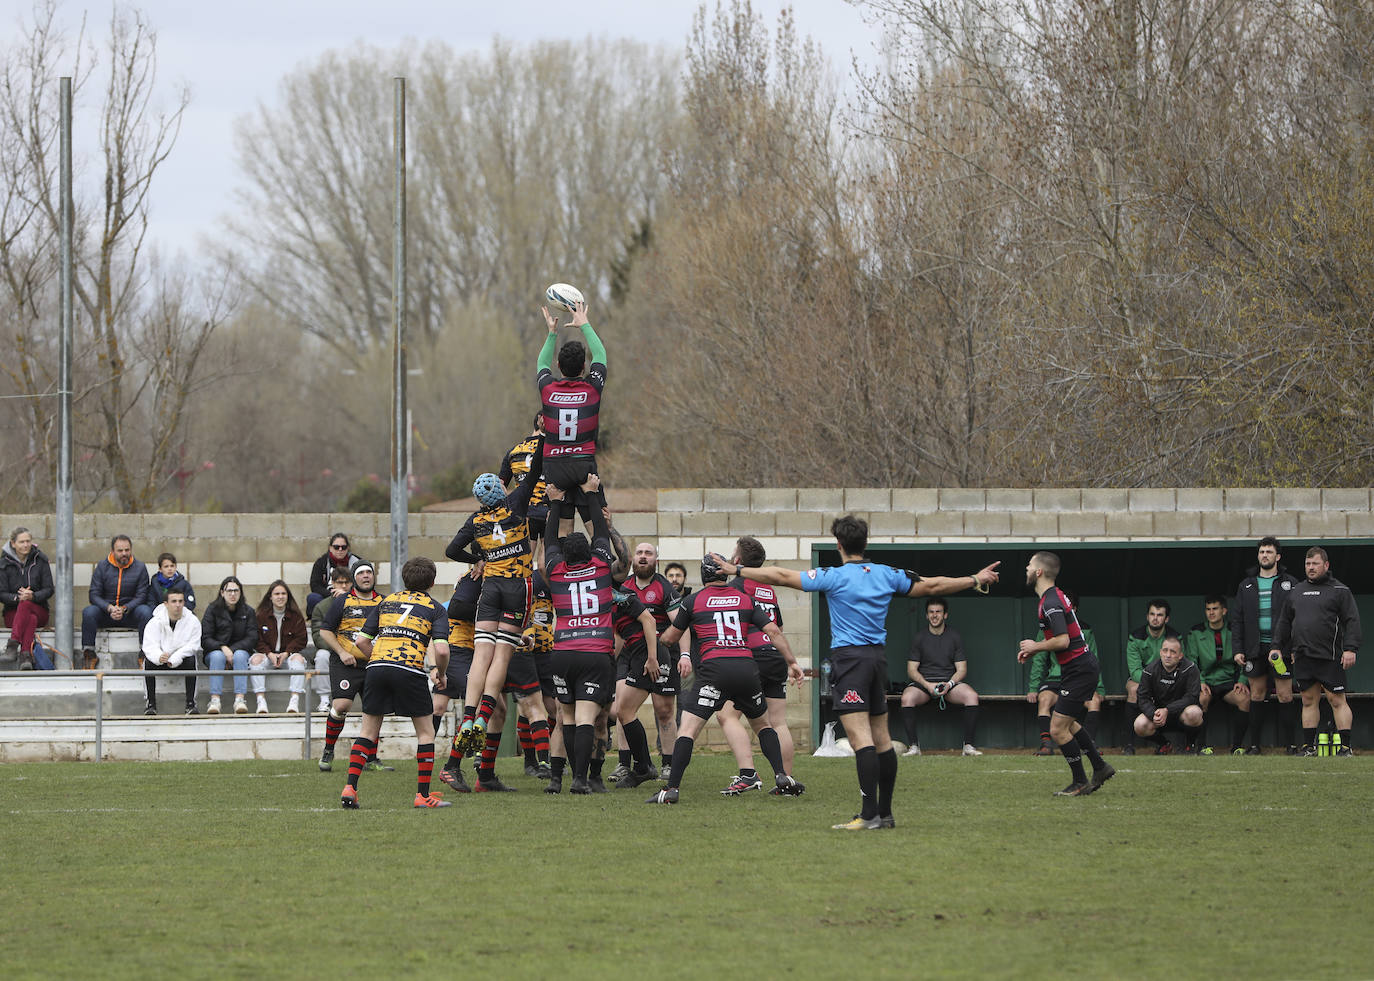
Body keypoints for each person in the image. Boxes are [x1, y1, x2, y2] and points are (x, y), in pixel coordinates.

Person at [709, 515, 1000, 829]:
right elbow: (934, 585)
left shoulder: (832, 576)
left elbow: (780, 575)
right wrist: (974, 578)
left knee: (861, 738)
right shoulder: (888, 574)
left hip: (850, 662)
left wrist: (735, 570)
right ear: (866, 542)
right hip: (878, 660)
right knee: (882, 739)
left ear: (838, 545)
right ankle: (885, 815)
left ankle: (868, 815)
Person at [646, 554, 804, 805]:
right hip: (746, 668)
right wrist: (792, 662)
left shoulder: (693, 600)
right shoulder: (745, 599)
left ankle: (672, 789)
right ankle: (781, 776)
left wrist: (659, 635)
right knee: (763, 725)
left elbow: (670, 638)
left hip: (714, 671)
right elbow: (773, 631)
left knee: (687, 729)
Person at [444, 435, 544, 753]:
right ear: (501, 490)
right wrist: (544, 441)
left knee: (482, 657)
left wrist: (478, 558)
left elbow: (451, 550)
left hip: (491, 590)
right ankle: (480, 720)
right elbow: (536, 470)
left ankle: (470, 716)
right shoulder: (516, 503)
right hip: (517, 588)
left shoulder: (476, 521)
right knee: (502, 655)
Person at [340, 556, 452, 810]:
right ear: (432, 582)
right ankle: (422, 795)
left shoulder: (386, 601)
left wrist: (380, 659)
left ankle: (350, 788)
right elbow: (442, 651)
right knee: (425, 733)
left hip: (377, 668)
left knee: (368, 732)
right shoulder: (436, 608)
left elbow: (360, 642)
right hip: (409, 670)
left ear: (404, 579)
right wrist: (441, 673)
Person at [542, 478, 627, 794]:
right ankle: (580, 779)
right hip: (595, 651)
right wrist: (591, 495)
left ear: (564, 556)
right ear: (591, 553)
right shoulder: (602, 565)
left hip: (563, 651)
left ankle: (564, 779)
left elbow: (550, 537)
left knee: (567, 716)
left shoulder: (556, 570)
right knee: (588, 718)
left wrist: (554, 502)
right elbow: (602, 534)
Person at [1018, 551, 1115, 797]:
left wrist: (1035, 646)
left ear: (1039, 572)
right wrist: (1035, 651)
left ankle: (1080, 781)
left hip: (1079, 670)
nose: (1026, 569)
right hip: (1078, 668)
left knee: (1058, 729)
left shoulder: (1050, 602)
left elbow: (1062, 640)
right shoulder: (1053, 596)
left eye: (1029, 566)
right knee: (1068, 724)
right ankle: (1100, 767)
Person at [716, 535, 805, 795]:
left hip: (751, 655)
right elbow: (778, 627)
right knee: (777, 722)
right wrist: (791, 661)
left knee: (726, 715)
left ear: (738, 560)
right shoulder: (768, 588)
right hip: (775, 656)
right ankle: (786, 780)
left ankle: (748, 774)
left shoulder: (736, 587)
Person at [1272, 546, 1361, 757]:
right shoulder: (1296, 591)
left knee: (1337, 700)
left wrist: (1350, 649)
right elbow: (1284, 622)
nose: (1311, 568)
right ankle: (1309, 747)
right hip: (1303, 656)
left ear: (1326, 565)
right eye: (1307, 564)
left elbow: (1353, 621)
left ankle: (1345, 748)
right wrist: (1276, 645)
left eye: (1315, 564)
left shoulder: (1340, 591)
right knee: (1308, 701)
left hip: (1330, 657)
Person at [609, 540, 685, 785]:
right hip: (631, 653)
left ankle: (667, 764)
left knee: (664, 711)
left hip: (660, 652)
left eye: (648, 553)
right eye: (639, 553)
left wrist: (684, 655)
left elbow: (680, 624)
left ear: (656, 560)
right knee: (623, 707)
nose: (642, 557)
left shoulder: (663, 587)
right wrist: (611, 659)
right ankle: (625, 762)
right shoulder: (624, 587)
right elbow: (619, 631)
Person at [536, 299, 607, 527]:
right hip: (584, 463)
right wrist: (584, 323)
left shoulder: (548, 388)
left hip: (554, 464)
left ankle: (558, 563)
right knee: (600, 526)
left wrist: (552, 334)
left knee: (562, 530)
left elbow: (541, 363)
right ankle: (608, 561)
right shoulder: (592, 389)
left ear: (558, 364)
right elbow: (601, 356)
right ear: (584, 368)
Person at [1231, 537, 1301, 753]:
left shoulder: (1290, 583)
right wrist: (1238, 649)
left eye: (1269, 552)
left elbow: (1299, 618)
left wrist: (1295, 648)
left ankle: (1291, 745)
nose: (1265, 555)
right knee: (1257, 695)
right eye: (1262, 552)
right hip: (1254, 650)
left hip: (1280, 650)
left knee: (1285, 695)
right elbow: (1237, 619)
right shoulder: (1247, 585)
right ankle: (1254, 745)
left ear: (1277, 556)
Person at [317, 563, 386, 772]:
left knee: (374, 710)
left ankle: (370, 758)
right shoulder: (343, 601)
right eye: (361, 573)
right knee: (342, 705)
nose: (366, 576)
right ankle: (328, 750)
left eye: (369, 572)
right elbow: (325, 631)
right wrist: (342, 652)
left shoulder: (384, 602)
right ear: (355, 578)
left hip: (373, 663)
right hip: (346, 663)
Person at [898, 597, 982, 757]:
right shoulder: (919, 637)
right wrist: (927, 685)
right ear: (926, 615)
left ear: (945, 615)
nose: (934, 615)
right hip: (924, 685)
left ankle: (968, 746)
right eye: (931, 612)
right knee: (906, 699)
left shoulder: (954, 636)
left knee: (972, 696)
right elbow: (912, 670)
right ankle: (914, 747)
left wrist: (949, 684)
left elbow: (962, 669)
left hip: (948, 684)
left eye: (938, 612)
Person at [1027, 588, 1105, 753]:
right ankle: (1046, 745)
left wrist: (1099, 688)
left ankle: (1088, 746)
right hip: (1056, 680)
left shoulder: (1085, 631)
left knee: (1093, 702)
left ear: (1072, 609)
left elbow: (1093, 659)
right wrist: (1033, 688)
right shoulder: (1046, 629)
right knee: (1045, 700)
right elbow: (1039, 661)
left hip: (1078, 678)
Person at [1186, 595, 1250, 754]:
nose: (1211, 613)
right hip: (1206, 681)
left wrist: (1242, 680)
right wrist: (1199, 681)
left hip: (1229, 681)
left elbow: (1245, 658)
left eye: (1215, 609)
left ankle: (1236, 747)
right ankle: (1201, 746)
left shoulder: (1234, 630)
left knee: (1244, 698)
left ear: (1224, 611)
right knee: (1202, 698)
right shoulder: (1195, 632)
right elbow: (1191, 661)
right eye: (1208, 609)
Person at [80, 534, 153, 669]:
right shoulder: (102, 566)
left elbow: (142, 595)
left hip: (129, 613)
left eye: (127, 550)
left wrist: (125, 608)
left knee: (146, 611)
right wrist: (109, 608)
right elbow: (94, 595)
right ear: (113, 551)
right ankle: (89, 654)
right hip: (106, 613)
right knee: (88, 612)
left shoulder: (140, 567)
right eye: (120, 550)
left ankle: (145, 653)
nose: (124, 553)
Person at [1122, 599, 1180, 755]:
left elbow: (1179, 666)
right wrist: (1155, 682)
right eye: (1152, 614)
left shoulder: (1174, 637)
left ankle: (1191, 745)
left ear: (1166, 618)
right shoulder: (1135, 637)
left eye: (1160, 615)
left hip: (1169, 681)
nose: (1155, 618)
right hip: (1143, 680)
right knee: (1133, 688)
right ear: (1147, 616)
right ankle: (1129, 745)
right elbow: (1134, 671)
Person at [1133, 636, 1203, 752]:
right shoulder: (1149, 670)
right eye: (1165, 651)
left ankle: (1189, 745)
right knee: (1139, 725)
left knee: (1194, 713)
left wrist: (1168, 710)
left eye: (1173, 652)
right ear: (1160, 652)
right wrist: (1152, 713)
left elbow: (1192, 697)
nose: (1168, 655)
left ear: (1180, 656)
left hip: (1182, 714)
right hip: (1159, 716)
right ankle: (1164, 744)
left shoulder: (1190, 668)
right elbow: (1142, 698)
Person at [250, 581, 309, 714]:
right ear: (270, 597)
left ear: (288, 596)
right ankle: (261, 701)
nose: (280, 597)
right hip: (267, 655)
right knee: (255, 660)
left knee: (299, 660)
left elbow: (301, 639)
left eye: (283, 593)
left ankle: (294, 700)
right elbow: (256, 638)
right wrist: (268, 653)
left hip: (287, 656)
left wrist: (287, 653)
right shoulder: (260, 615)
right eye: (277, 594)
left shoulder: (296, 616)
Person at [140, 586, 201, 716]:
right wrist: (159, 656)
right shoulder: (154, 622)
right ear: (166, 604)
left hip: (181, 659)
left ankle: (191, 704)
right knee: (147, 662)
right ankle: (150, 704)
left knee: (192, 660)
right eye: (174, 601)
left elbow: (193, 645)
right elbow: (149, 645)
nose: (177, 605)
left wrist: (176, 657)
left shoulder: (192, 621)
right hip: (161, 659)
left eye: (180, 601)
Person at [500, 413, 552, 563]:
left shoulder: (514, 451)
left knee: (523, 564)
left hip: (525, 513)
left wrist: (512, 506)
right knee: (549, 565)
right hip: (549, 512)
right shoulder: (552, 449)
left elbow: (500, 485)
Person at [200, 576, 256, 714]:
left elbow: (252, 637)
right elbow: (205, 638)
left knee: (240, 655)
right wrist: (222, 647)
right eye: (229, 591)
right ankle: (215, 700)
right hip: (215, 652)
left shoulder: (248, 611)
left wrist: (232, 650)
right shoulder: (212, 610)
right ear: (222, 592)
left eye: (236, 591)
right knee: (218, 656)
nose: (233, 594)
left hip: (240, 652)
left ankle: (240, 699)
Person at [1, 527, 54, 670]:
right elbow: (1, 593)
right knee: (30, 619)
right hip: (13, 613)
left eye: (28, 541)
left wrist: (33, 596)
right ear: (13, 543)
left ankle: (13, 646)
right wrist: (17, 598)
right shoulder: (3, 563)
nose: (25, 545)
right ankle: (26, 656)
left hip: (40, 609)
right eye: (21, 542)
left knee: (27, 605)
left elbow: (49, 589)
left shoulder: (40, 560)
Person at [308, 567, 354, 713]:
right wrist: (338, 650)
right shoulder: (322, 607)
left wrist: (348, 600)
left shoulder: (358, 603)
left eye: (347, 582)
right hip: (332, 649)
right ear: (332, 583)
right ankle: (324, 699)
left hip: (354, 648)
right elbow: (317, 635)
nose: (344, 586)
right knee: (321, 656)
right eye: (340, 582)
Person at [306, 533, 367, 616]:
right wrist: (333, 594)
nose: (340, 550)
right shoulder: (322, 562)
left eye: (343, 547)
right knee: (313, 598)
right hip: (328, 596)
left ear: (348, 548)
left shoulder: (357, 562)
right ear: (330, 548)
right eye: (336, 547)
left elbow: (363, 584)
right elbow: (315, 585)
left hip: (352, 596)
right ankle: (318, 623)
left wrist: (346, 593)